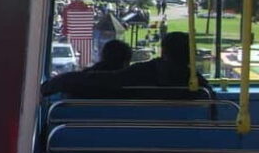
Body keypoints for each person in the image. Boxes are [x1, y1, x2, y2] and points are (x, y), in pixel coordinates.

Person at [41, 32, 212, 97]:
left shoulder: (143, 73)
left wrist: (54, 84)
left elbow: (106, 80)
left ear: (163, 52)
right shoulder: (200, 86)